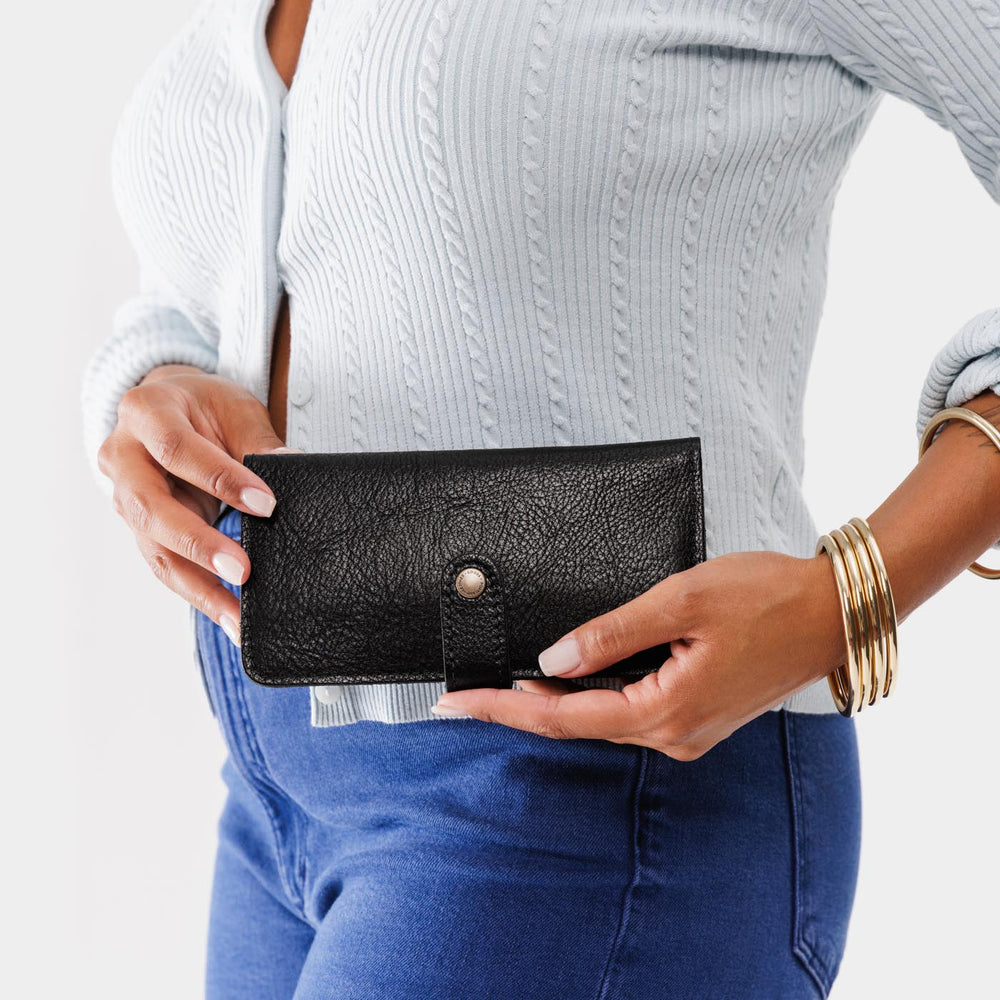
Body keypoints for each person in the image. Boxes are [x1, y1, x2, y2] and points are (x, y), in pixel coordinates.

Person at [81, 1, 1000, 997]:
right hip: (271, 780)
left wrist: (844, 599)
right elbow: (211, 276)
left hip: (586, 777)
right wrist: (151, 380)